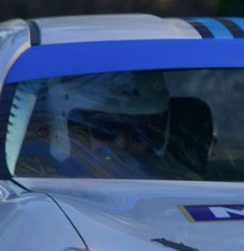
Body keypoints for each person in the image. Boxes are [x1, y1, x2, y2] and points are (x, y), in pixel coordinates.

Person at [34, 70, 176, 178]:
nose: (121, 144)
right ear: (70, 128)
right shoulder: (35, 176)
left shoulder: (176, 178)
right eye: (106, 129)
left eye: (136, 132)